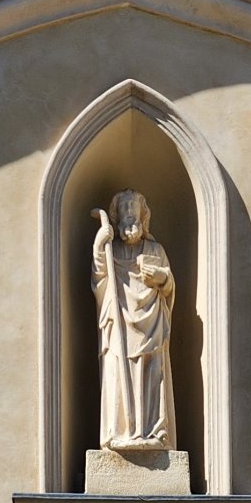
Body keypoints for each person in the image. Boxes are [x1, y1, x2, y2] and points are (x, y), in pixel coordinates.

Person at [91, 190, 177, 450]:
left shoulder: (155, 250)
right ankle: (121, 432)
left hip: (151, 326)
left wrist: (162, 278)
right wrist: (99, 247)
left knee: (152, 374)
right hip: (119, 324)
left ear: (142, 215)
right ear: (117, 217)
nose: (130, 212)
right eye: (124, 208)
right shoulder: (112, 250)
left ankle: (153, 433)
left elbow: (169, 287)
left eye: (134, 207)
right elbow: (100, 280)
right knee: (118, 372)